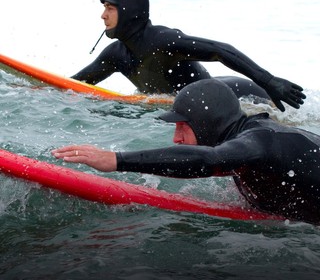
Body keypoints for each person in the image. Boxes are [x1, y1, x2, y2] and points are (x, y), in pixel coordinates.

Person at [52, 78, 320, 224]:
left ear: (208, 124)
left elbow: (207, 161)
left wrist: (114, 160)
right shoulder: (247, 143)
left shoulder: (260, 141)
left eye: (183, 126)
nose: (175, 138)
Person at [72, 0, 306, 112]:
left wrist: (269, 80)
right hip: (182, 106)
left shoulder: (163, 41)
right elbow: (74, 86)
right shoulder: (116, 56)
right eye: (104, 8)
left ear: (129, 12)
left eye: (110, 8)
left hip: (237, 94)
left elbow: (220, 49)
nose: (103, 16)